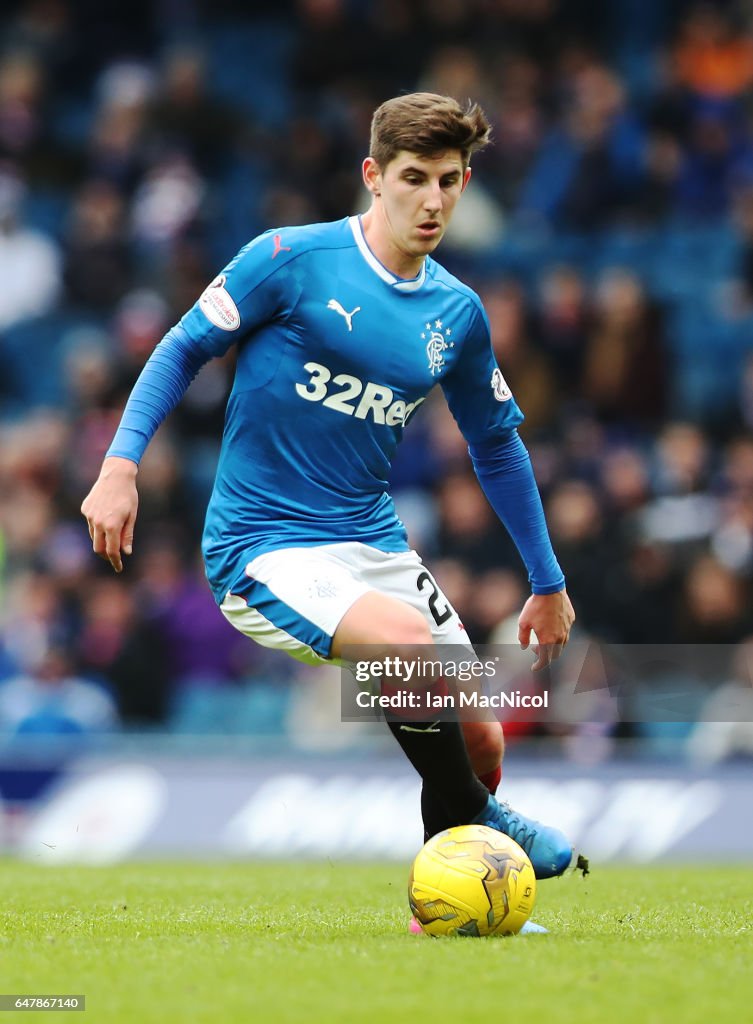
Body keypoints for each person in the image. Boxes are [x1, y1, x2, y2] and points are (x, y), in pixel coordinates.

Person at [81, 93, 575, 882]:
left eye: (450, 181)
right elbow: (180, 349)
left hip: (371, 540)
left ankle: (444, 903)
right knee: (406, 648)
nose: (433, 200)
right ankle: (486, 820)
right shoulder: (289, 258)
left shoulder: (457, 312)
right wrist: (120, 465)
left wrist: (546, 581)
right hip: (261, 545)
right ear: (373, 176)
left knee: (480, 739)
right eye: (414, 177)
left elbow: (497, 447)